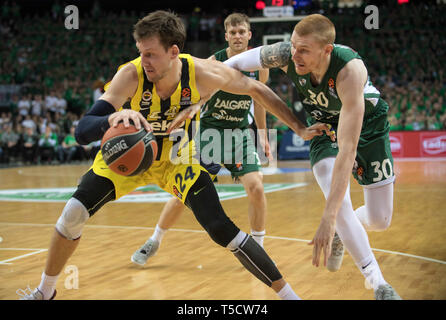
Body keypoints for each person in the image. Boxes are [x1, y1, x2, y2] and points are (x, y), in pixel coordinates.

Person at [18, 10, 331, 300]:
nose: (145, 61)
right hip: (130, 155)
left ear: (173, 52)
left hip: (178, 156)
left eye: (151, 54)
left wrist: (300, 128)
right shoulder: (131, 75)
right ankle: (45, 292)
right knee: (73, 212)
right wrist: (109, 120)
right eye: (142, 53)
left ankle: (290, 296)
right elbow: (82, 130)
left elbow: (257, 90)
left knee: (221, 228)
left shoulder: (201, 72)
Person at [224, 14, 401, 299]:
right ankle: (379, 284)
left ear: (326, 50)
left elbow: (348, 150)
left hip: (368, 127)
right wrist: (206, 78)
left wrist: (329, 218)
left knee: (379, 220)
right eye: (293, 46)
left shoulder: (349, 72)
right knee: (337, 201)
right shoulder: (286, 55)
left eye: (304, 49)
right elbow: (235, 63)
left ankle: (344, 231)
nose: (295, 55)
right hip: (322, 130)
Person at [131, 13, 273, 266]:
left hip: (239, 133)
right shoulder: (212, 62)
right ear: (226, 35)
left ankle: (257, 248)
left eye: (242, 31)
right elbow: (195, 98)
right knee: (183, 194)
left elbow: (260, 101)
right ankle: (154, 240)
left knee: (257, 187)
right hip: (208, 134)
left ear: (250, 35)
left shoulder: (259, 67)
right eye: (233, 32)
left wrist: (262, 135)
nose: (238, 36)